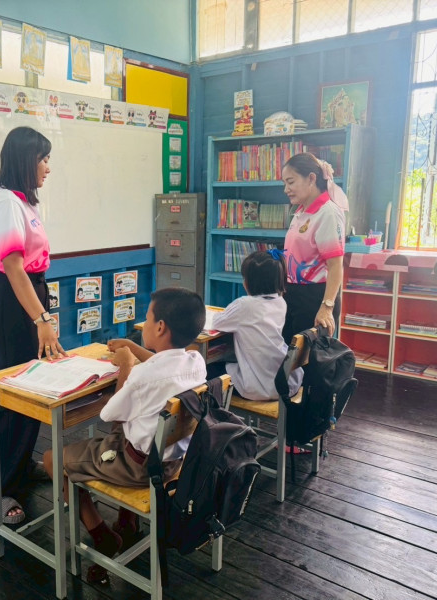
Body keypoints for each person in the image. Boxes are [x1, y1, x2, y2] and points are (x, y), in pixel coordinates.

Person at [43, 287, 207, 584]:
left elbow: (109, 414)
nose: (144, 324)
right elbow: (161, 364)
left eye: (147, 318)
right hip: (177, 461)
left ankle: (102, 535)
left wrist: (127, 366)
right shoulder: (196, 361)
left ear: (160, 327)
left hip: (140, 468)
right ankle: (127, 522)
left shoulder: (143, 376)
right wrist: (133, 350)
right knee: (128, 429)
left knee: (51, 459)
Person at [0, 126, 66, 526]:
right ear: (25, 160)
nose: (47, 167)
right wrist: (41, 319)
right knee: (11, 401)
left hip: (29, 298)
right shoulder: (4, 203)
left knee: (32, 393)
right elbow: (13, 268)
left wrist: (42, 313)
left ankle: (19, 466)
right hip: (11, 307)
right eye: (43, 159)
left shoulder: (23, 202)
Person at [206, 250, 301, 400]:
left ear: (249, 282)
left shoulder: (245, 305)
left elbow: (217, 322)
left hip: (261, 385)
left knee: (205, 370)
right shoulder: (280, 302)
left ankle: (213, 413)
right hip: (285, 380)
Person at [281, 152, 346, 343]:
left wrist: (326, 307)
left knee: (309, 357)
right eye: (285, 183)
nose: (286, 189)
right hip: (293, 294)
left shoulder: (328, 212)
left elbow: (335, 265)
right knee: (290, 354)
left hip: (315, 298)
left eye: (291, 182)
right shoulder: (300, 212)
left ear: (311, 178)